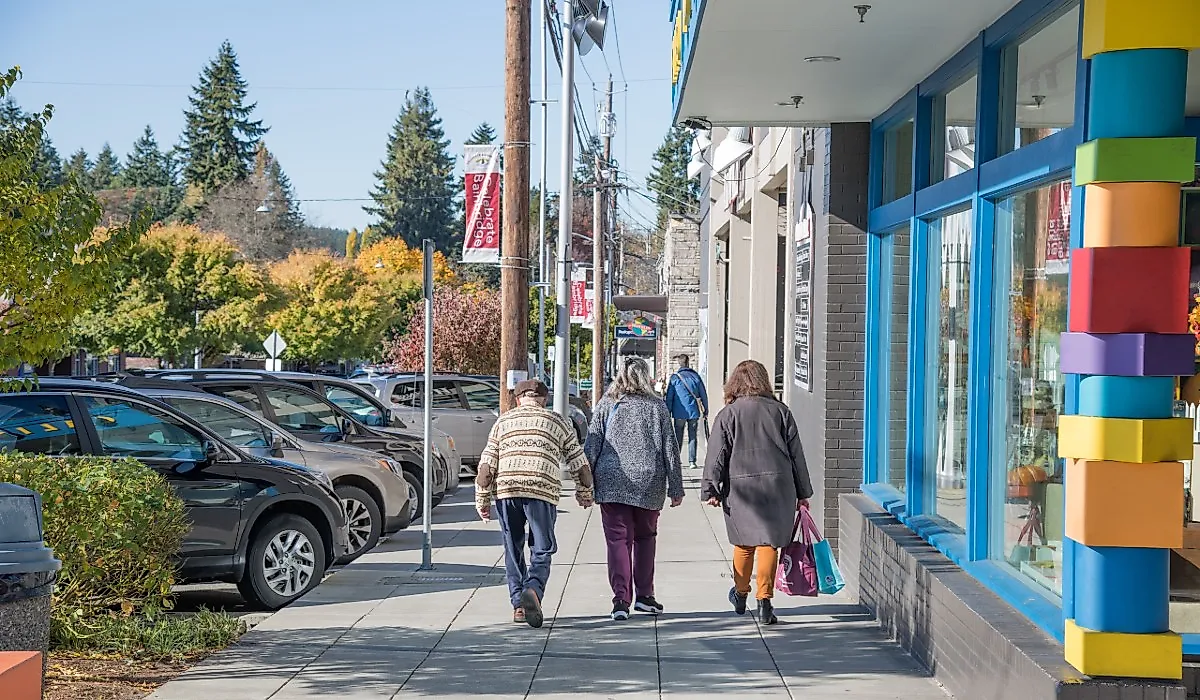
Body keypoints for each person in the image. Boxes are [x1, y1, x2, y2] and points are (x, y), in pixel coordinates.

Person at [700, 360, 813, 625]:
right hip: (778, 487)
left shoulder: (728, 415)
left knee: (743, 543)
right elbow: (797, 455)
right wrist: (803, 492)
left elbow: (716, 455)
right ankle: (765, 601)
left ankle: (740, 593)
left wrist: (710, 489)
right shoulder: (781, 412)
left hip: (741, 488)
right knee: (769, 544)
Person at [476, 379, 594, 628]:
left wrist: (482, 500)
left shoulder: (502, 422)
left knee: (512, 547)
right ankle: (533, 589)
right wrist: (584, 494)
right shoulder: (557, 421)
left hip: (507, 491)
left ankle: (519, 604)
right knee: (542, 548)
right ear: (544, 399)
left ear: (518, 399)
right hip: (542, 490)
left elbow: (486, 468)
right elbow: (579, 464)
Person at [585, 357, 685, 621]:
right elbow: (670, 449)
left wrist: (585, 483)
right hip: (648, 482)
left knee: (618, 540)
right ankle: (644, 596)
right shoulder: (657, 407)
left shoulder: (607, 404)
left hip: (611, 481)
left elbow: (592, 446)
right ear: (646, 376)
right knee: (645, 538)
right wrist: (676, 487)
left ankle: (620, 599)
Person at [665, 354, 709, 469]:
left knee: (678, 435)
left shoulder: (675, 378)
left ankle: (677, 460)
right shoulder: (696, 376)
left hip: (679, 412)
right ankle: (692, 461)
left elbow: (669, 397)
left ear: (679, 363)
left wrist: (667, 412)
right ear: (688, 362)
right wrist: (706, 409)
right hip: (693, 411)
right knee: (692, 435)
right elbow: (703, 394)